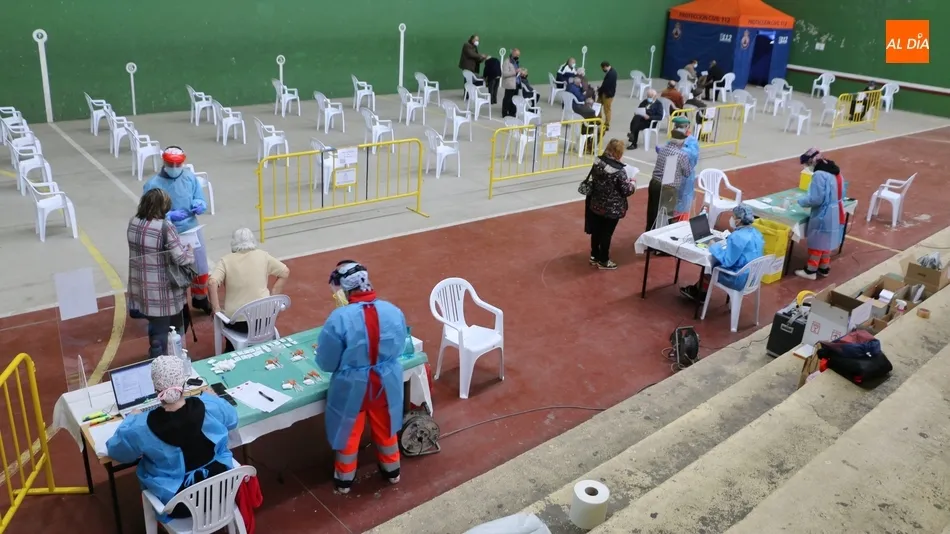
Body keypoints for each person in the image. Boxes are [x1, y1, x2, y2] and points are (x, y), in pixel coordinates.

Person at [106, 356, 239, 522]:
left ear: (155, 389)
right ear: (183, 384)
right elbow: (233, 420)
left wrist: (129, 421)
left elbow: (117, 452)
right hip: (222, 490)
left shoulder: (140, 427)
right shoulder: (209, 406)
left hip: (180, 505)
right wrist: (214, 398)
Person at [317, 261, 406, 494]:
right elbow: (399, 347)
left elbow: (326, 361)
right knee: (386, 426)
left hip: (352, 387)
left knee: (348, 430)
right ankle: (392, 471)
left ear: (345, 290)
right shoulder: (392, 311)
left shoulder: (339, 318)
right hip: (386, 383)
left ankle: (345, 480)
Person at [143, 146, 212, 315]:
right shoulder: (153, 185)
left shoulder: (190, 178)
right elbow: (147, 213)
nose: (174, 169)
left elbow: (199, 197)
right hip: (166, 232)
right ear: (164, 162)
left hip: (191, 228)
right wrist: (168, 216)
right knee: (172, 271)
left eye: (178, 164)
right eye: (170, 164)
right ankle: (177, 304)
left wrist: (199, 204)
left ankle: (200, 297)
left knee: (200, 266)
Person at [128, 189, 196, 358]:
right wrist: (190, 251)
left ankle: (160, 356)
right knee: (170, 327)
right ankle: (165, 362)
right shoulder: (166, 227)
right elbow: (181, 258)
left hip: (141, 285)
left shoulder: (133, 222)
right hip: (162, 289)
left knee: (155, 326)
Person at [208, 228, 291, 353]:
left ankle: (231, 348)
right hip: (265, 321)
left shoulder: (225, 261)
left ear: (233, 243)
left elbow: (212, 282)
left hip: (238, 324)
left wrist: (216, 309)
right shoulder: (263, 256)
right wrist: (273, 296)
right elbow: (285, 271)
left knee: (225, 318)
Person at [680, 205, 765, 302]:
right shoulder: (757, 233)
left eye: (733, 216)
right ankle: (699, 289)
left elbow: (727, 261)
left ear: (738, 220)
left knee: (710, 266)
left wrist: (714, 246)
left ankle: (700, 293)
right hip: (753, 277)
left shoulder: (737, 237)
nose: (731, 219)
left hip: (739, 279)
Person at [582, 139, 635, 270]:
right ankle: (604, 260)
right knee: (607, 233)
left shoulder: (598, 162)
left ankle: (594, 255)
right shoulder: (619, 171)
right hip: (612, 208)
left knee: (596, 231)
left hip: (596, 203)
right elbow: (627, 190)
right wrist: (633, 182)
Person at [796, 148, 846, 280]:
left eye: (806, 164)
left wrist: (800, 201)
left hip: (824, 213)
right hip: (836, 209)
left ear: (811, 161)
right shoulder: (834, 170)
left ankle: (810, 270)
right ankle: (824, 267)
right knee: (826, 241)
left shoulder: (819, 175)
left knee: (818, 241)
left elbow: (816, 199)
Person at [646, 117, 695, 235]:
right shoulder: (682, 155)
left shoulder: (663, 150)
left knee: (652, 211)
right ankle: (661, 242)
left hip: (655, 183)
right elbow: (687, 172)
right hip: (668, 187)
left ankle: (649, 234)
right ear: (681, 142)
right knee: (665, 215)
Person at [501, 49, 524, 118]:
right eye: (516, 55)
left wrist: (521, 72)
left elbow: (517, 71)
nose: (518, 56)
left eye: (518, 55)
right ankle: (504, 113)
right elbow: (504, 74)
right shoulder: (507, 62)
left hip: (516, 83)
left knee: (514, 99)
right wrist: (515, 72)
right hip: (510, 83)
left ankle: (512, 112)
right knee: (507, 99)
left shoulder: (516, 62)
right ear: (513, 54)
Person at [597, 61, 618, 130]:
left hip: (607, 94)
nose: (603, 70)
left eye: (602, 68)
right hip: (603, 93)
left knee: (607, 109)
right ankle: (598, 119)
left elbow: (606, 85)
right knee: (597, 105)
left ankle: (607, 124)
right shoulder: (611, 72)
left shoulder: (611, 74)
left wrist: (599, 89)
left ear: (605, 67)